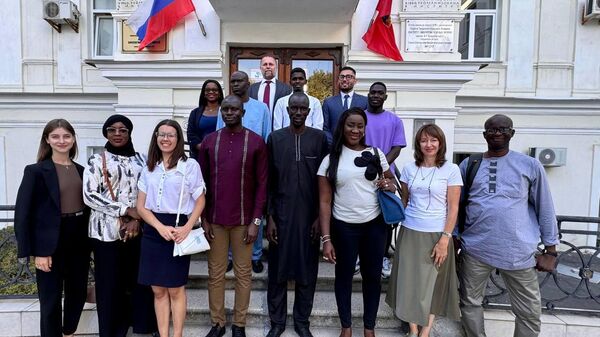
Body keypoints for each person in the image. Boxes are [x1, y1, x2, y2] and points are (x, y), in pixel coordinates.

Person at [458, 114, 559, 337]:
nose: (497, 134)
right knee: (469, 303)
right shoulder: (470, 164)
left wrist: (551, 250)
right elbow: (458, 204)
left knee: (529, 312)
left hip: (519, 253)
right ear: (484, 135)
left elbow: (545, 207)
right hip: (475, 250)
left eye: (503, 130)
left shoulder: (530, 165)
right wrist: (455, 236)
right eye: (492, 130)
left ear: (512, 133)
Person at [318, 108, 396, 337]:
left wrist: (390, 185)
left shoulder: (376, 153)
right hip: (343, 226)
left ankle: (369, 328)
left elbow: (391, 181)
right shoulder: (331, 158)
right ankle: (346, 327)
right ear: (343, 127)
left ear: (364, 128)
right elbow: (324, 202)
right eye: (351, 125)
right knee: (343, 277)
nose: (355, 130)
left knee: (372, 278)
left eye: (360, 126)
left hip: (375, 225)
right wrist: (326, 239)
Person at [199, 95, 268, 337]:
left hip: (244, 223)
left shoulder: (256, 142)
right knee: (215, 274)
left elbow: (262, 185)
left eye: (234, 109)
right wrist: (203, 219)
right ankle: (217, 323)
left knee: (243, 274)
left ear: (243, 112)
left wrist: (256, 221)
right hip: (215, 221)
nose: (229, 113)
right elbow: (201, 185)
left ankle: (239, 324)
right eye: (225, 109)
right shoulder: (209, 142)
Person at [83, 114, 157, 337]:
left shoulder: (142, 160)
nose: (117, 134)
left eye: (122, 130)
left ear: (129, 133)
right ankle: (112, 331)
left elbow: (150, 194)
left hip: (137, 231)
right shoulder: (96, 161)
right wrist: (124, 210)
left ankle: (142, 327)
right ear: (106, 132)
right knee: (109, 285)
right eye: (112, 129)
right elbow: (89, 195)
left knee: (138, 282)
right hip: (106, 233)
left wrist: (137, 218)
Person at [15, 119, 90, 337]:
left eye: (66, 136)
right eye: (56, 136)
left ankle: (68, 332)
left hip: (78, 237)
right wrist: (37, 252)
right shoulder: (35, 171)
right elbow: (23, 214)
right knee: (51, 299)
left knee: (77, 293)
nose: (61, 141)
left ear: (73, 139)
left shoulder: (82, 170)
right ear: (47, 140)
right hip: (49, 242)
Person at [385, 124, 461, 337]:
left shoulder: (451, 170)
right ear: (418, 144)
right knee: (409, 282)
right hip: (410, 231)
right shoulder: (409, 168)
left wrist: (445, 239)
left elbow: (453, 207)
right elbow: (405, 200)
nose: (429, 144)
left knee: (432, 285)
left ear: (440, 143)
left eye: (433, 140)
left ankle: (425, 331)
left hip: (437, 234)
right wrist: (391, 190)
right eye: (424, 140)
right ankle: (412, 329)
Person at [266, 93, 329, 337]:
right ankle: (277, 323)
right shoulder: (275, 138)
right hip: (280, 216)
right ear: (288, 109)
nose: (298, 112)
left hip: (309, 218)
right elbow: (268, 181)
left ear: (309, 110)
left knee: (307, 272)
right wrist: (269, 217)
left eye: (303, 108)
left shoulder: (319, 139)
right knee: (277, 273)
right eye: (294, 108)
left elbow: (325, 182)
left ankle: (302, 322)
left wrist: (318, 219)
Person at [136, 119, 206, 337]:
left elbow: (201, 200)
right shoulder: (149, 167)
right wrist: (158, 227)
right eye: (161, 134)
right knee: (157, 290)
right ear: (156, 138)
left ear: (178, 139)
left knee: (175, 288)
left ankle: (178, 335)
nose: (165, 139)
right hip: (153, 231)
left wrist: (186, 227)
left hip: (178, 230)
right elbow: (140, 206)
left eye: (171, 135)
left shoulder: (190, 166)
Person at [216, 71, 270, 273]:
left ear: (249, 83)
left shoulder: (261, 108)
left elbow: (267, 135)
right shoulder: (226, 107)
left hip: (254, 167)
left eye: (239, 81)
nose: (235, 84)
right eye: (232, 82)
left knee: (254, 211)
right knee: (229, 212)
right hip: (229, 169)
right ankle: (230, 255)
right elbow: (218, 135)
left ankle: (255, 255)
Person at [364, 81, 406, 279]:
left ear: (385, 97)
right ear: (368, 94)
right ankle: (359, 255)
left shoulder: (394, 120)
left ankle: (382, 257)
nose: (376, 95)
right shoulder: (360, 117)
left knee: (385, 218)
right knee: (360, 215)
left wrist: (380, 165)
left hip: (385, 173)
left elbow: (397, 147)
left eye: (380, 93)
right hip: (361, 172)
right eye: (373, 92)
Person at [322, 66, 368, 144]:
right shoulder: (328, 102)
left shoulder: (365, 101)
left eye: (348, 77)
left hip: (357, 147)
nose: (344, 79)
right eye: (342, 77)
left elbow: (367, 127)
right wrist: (334, 145)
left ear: (355, 81)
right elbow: (325, 128)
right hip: (334, 148)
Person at [187, 80, 224, 159]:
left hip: (222, 154)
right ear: (203, 93)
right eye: (207, 90)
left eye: (214, 90)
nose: (211, 92)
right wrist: (200, 146)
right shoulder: (195, 113)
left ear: (220, 93)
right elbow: (191, 133)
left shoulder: (226, 111)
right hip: (201, 154)